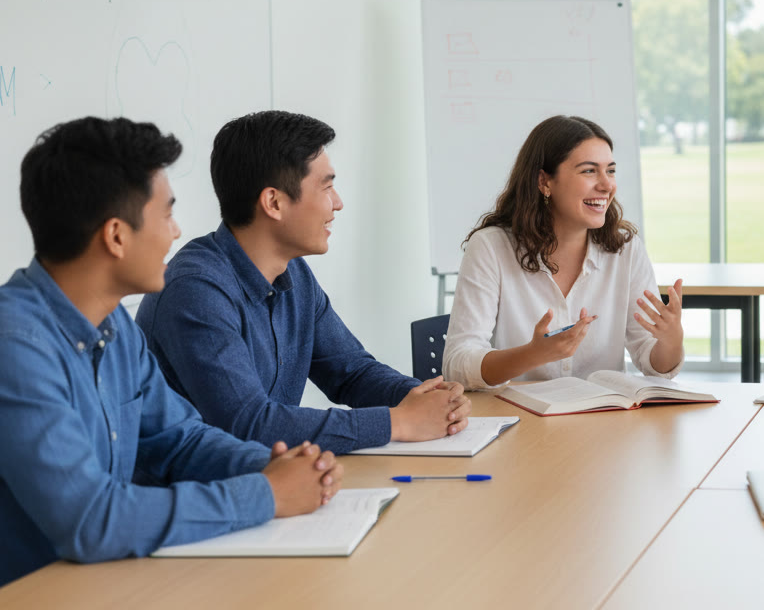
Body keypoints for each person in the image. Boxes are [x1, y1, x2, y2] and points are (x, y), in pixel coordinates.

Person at [0, 117, 341, 586]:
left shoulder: (113, 325)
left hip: (106, 583)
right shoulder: (16, 347)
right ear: (117, 236)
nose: (176, 231)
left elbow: (179, 439)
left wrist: (272, 465)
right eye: (166, 215)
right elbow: (90, 520)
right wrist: (265, 493)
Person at [136, 111, 470, 454]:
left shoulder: (293, 272)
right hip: (202, 496)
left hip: (271, 482)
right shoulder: (196, 290)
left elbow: (351, 372)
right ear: (274, 202)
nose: (338, 203)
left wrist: (429, 399)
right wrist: (398, 422)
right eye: (326, 186)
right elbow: (249, 425)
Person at [443, 115, 684, 388]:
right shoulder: (491, 248)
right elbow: (457, 365)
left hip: (604, 419)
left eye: (611, 170)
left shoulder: (626, 250)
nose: (606, 185)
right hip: (522, 422)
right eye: (589, 171)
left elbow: (655, 365)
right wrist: (531, 355)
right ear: (545, 182)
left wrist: (671, 339)